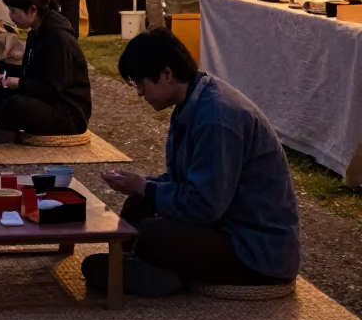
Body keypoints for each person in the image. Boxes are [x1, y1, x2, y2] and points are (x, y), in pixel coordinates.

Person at [81, 30, 300, 297]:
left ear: (166, 74)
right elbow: (184, 179)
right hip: (224, 224)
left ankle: (156, 272)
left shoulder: (217, 117)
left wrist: (145, 187)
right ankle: (146, 267)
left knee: (152, 232)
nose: (139, 93)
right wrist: (144, 185)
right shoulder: (192, 101)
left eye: (141, 83)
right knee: (138, 205)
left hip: (255, 248)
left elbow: (205, 205)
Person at [0, 0, 91, 141]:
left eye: (14, 11)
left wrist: (19, 83)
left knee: (15, 105)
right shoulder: (36, 33)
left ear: (32, 10)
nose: (11, 16)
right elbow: (29, 71)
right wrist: (0, 67)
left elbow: (54, 88)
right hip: (45, 99)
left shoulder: (58, 39)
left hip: (66, 111)